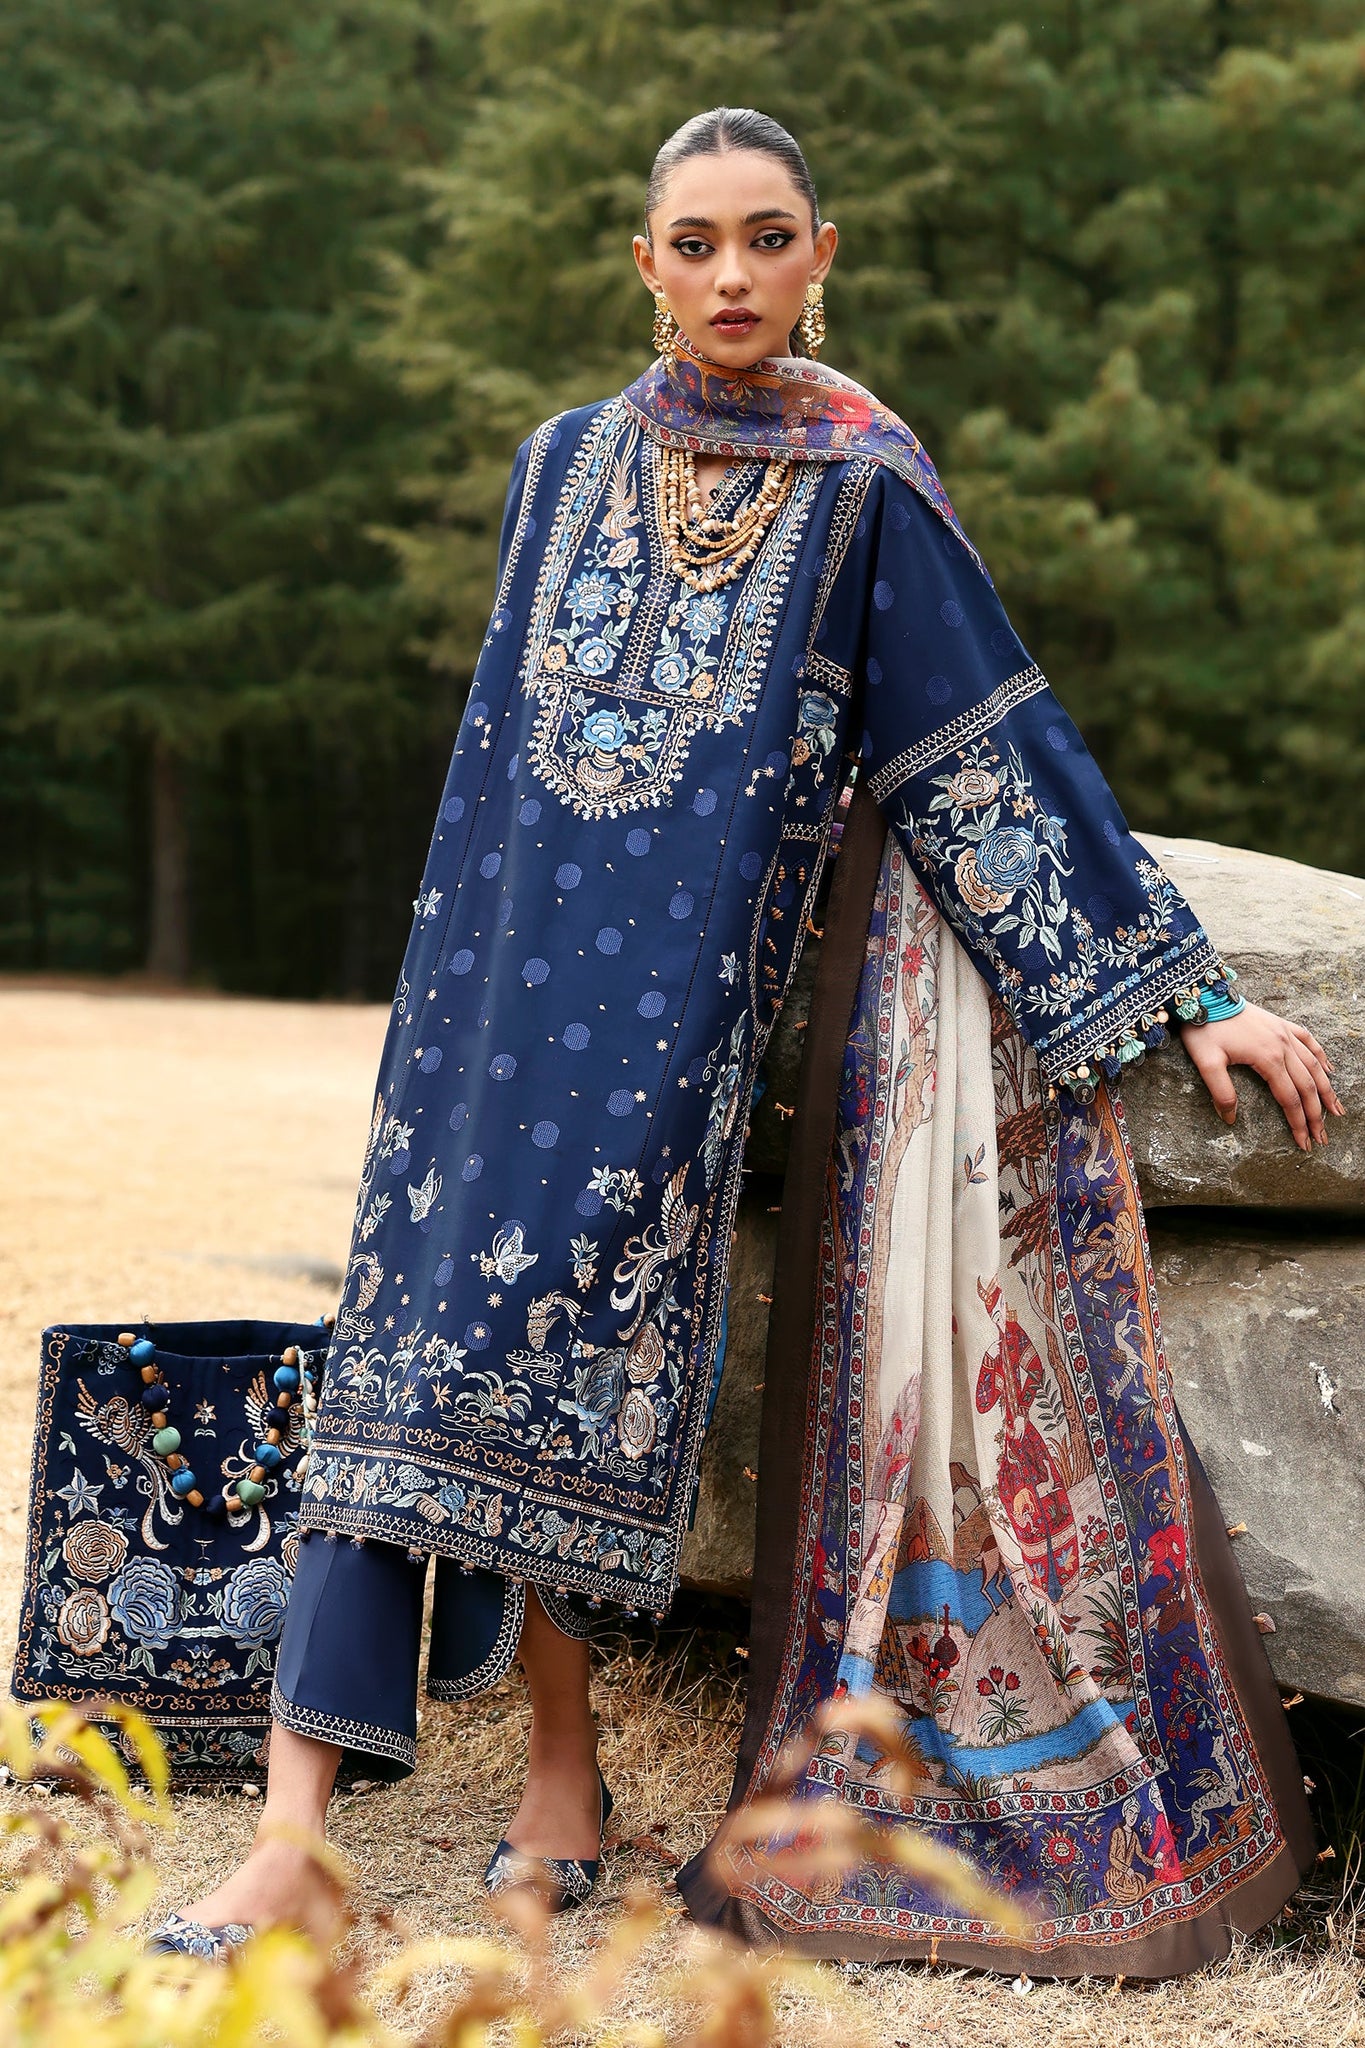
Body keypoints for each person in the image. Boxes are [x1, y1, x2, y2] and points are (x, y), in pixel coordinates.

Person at [151, 107, 1331, 1976]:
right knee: (401, 1366)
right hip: (482, 1001)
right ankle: (294, 1839)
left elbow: (982, 749)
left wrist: (1188, 993)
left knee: (586, 1387)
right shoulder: (559, 464)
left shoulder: (863, 491)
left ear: (819, 254)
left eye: (765, 238)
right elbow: (496, 758)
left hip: (674, 1032)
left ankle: (561, 1789)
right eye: (692, 243)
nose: (728, 277)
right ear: (644, 262)